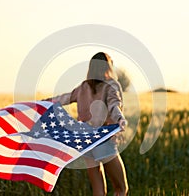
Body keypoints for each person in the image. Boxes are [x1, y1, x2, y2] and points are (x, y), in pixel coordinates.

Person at [46, 52, 128, 196]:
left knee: (98, 191)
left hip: (85, 141)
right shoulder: (111, 85)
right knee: (121, 188)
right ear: (107, 66)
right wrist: (120, 119)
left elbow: (63, 98)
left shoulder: (84, 86)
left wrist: (40, 103)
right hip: (104, 140)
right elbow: (114, 105)